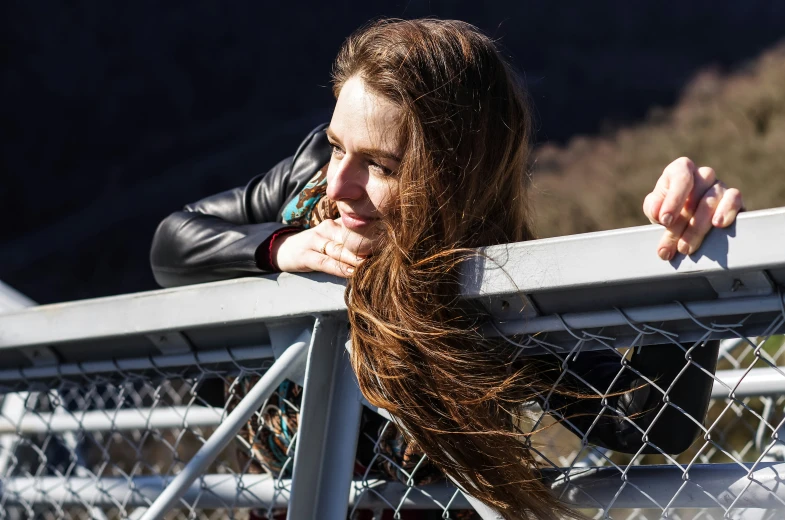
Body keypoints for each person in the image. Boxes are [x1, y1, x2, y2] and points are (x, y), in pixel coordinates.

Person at [150, 18, 744, 520]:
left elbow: (646, 423)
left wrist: (690, 251)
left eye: (380, 165)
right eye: (337, 146)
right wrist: (279, 248)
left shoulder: (491, 279)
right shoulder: (305, 186)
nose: (338, 184)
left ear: (455, 176)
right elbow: (173, 244)